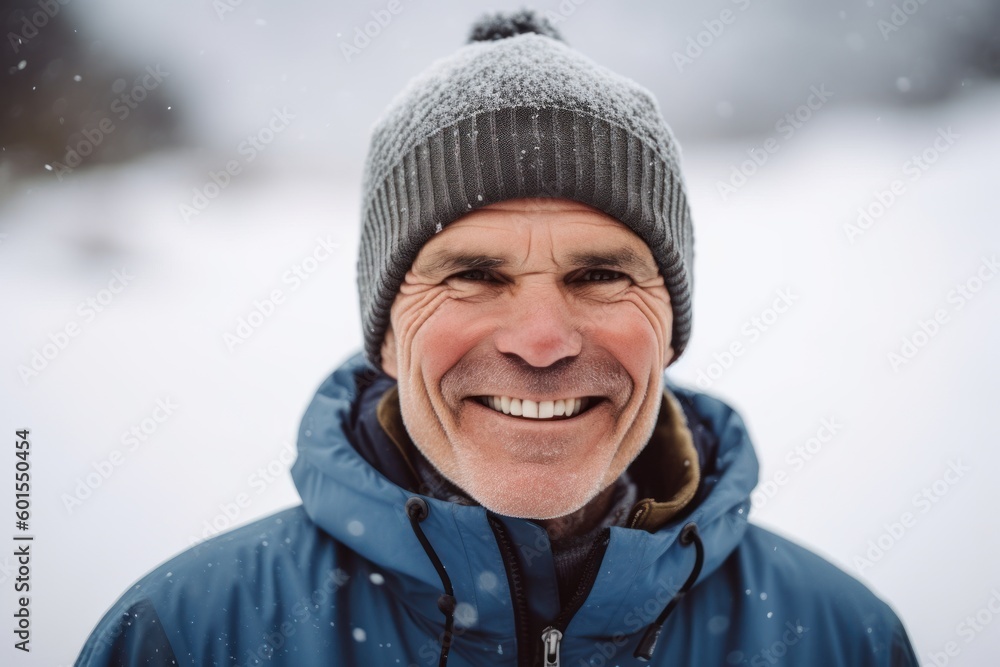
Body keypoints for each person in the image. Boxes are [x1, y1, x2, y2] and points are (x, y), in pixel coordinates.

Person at [75, 10, 918, 667]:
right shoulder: (191, 635)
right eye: (474, 275)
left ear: (669, 325)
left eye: (599, 275)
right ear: (389, 335)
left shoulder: (839, 636)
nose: (543, 340)